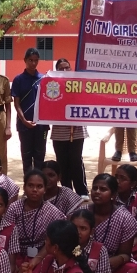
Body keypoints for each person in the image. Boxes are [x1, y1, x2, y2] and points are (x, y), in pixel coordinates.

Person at [5, 169, 67, 273]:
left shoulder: (52, 211)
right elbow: (8, 236)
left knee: (48, 270)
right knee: (10, 272)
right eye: (31, 185)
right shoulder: (14, 208)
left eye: (39, 186)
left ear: (45, 189)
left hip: (41, 255)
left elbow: (53, 240)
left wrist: (35, 261)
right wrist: (13, 262)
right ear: (24, 187)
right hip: (16, 254)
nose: (35, 190)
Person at [88, 174, 137, 273]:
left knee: (133, 271)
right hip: (84, 263)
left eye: (103, 189)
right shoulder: (82, 212)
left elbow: (125, 253)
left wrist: (117, 260)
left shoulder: (124, 218)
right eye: (94, 188)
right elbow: (73, 245)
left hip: (112, 266)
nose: (97, 192)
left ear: (113, 195)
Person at [49, 58, 88, 194]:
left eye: (67, 68)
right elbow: (49, 105)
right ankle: (67, 192)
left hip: (77, 130)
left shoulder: (79, 84)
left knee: (76, 161)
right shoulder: (52, 85)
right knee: (62, 163)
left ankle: (82, 192)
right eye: (61, 68)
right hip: (59, 132)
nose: (65, 71)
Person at [12, 47, 49, 171]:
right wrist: (24, 121)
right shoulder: (18, 80)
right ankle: (28, 185)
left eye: (36, 60)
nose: (33, 63)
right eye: (30, 60)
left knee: (40, 156)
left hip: (41, 125)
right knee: (26, 157)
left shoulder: (44, 79)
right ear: (25, 60)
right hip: (24, 125)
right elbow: (16, 104)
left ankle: (39, 186)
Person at [115, 164, 137, 239]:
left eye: (122, 178)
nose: (117, 181)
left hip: (135, 239)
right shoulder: (111, 198)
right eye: (116, 177)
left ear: (133, 184)